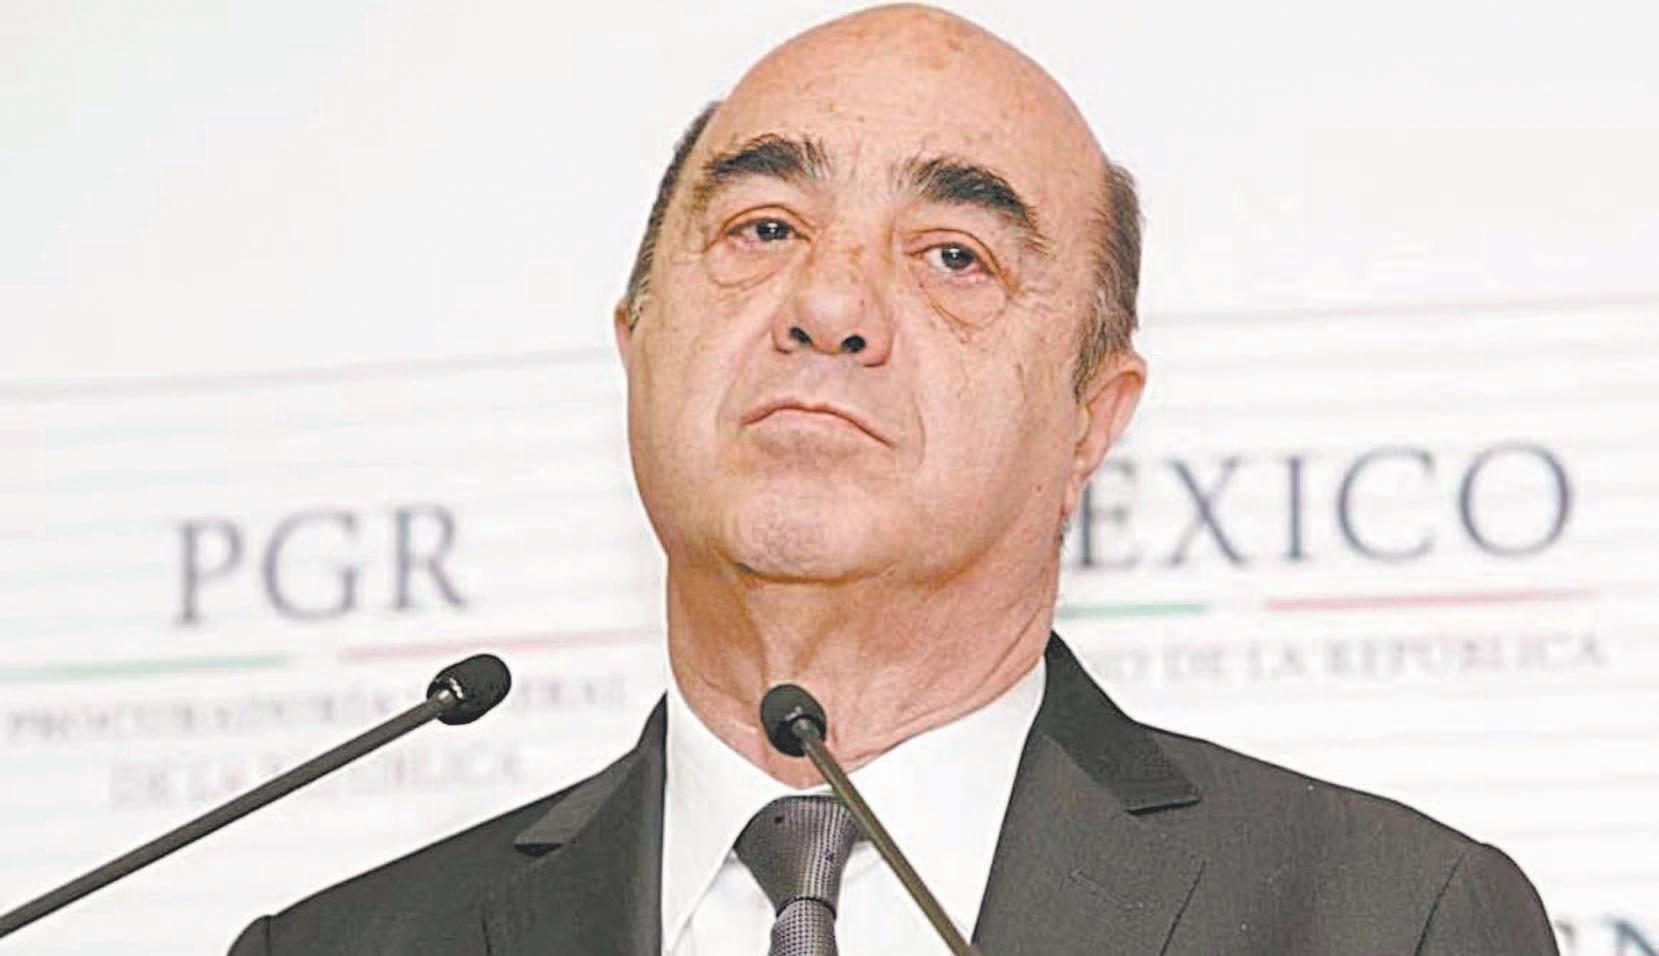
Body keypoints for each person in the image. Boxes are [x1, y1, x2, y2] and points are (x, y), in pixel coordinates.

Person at [229, 5, 1559, 954]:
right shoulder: (345, 945)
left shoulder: (1389, 920)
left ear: (1090, 424)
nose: (829, 306)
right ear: (637, 346)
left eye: (953, 255)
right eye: (764, 228)